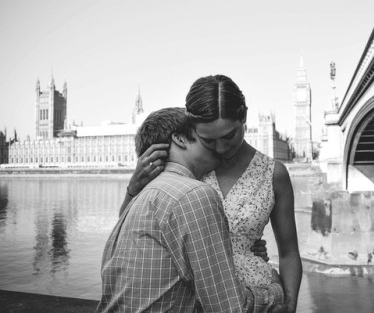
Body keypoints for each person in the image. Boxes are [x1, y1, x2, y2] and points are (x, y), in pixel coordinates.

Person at [122, 75, 302, 312]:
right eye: (208, 140)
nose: (221, 148)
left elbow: (289, 254)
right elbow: (132, 231)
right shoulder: (183, 164)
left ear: (244, 116)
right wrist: (133, 188)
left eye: (229, 136)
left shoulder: (273, 173)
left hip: (259, 298)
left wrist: (289, 305)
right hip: (190, 297)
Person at [97, 107, 284, 312]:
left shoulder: (140, 198)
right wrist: (275, 291)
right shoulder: (194, 194)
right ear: (180, 139)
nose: (218, 147)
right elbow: (228, 307)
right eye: (205, 137)